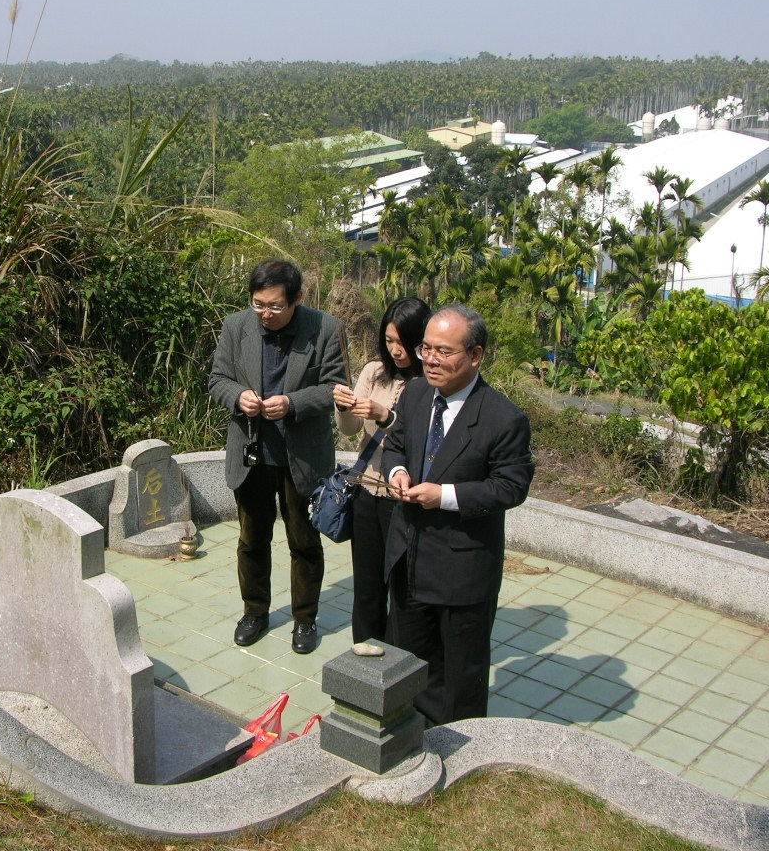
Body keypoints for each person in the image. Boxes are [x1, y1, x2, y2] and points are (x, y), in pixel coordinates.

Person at [382, 303, 534, 725]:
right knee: (405, 667)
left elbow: (511, 486)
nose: (430, 359)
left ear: (476, 355)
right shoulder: (415, 394)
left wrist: (444, 495)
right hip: (408, 557)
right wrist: (397, 473)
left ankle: (458, 750)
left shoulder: (503, 418)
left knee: (458, 681)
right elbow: (396, 445)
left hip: (461, 573)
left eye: (444, 351)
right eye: (426, 348)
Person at [208, 259, 348, 654]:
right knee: (252, 539)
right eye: (258, 305)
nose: (265, 314)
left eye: (274, 306)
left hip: (301, 455)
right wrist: (238, 397)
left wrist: (292, 403)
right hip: (252, 453)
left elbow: (336, 388)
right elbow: (217, 380)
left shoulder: (325, 328)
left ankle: (305, 619)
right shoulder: (236, 326)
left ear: (297, 298)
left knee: (303, 542)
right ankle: (255, 611)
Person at [332, 296, 431, 644]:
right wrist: (343, 407)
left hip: (402, 497)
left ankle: (399, 659)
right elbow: (350, 431)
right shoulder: (374, 372)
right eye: (389, 340)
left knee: (402, 587)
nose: (395, 350)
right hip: (366, 490)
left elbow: (421, 441)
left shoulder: (429, 383)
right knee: (367, 585)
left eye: (403, 342)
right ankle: (365, 655)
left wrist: (386, 417)